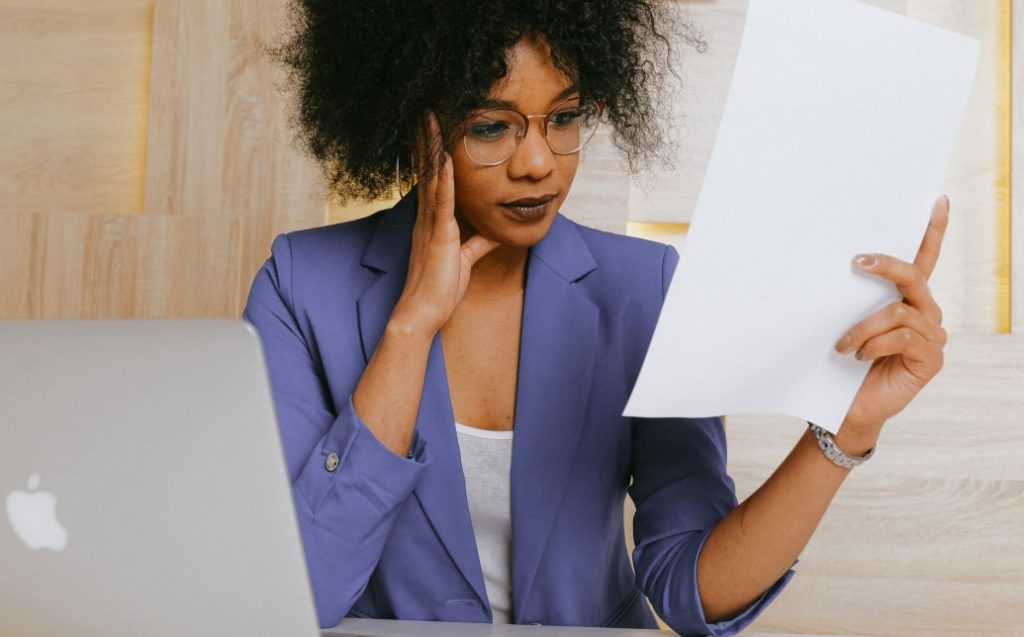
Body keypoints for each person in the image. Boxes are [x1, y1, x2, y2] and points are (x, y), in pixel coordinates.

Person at [243, 1, 949, 635]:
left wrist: (845, 429)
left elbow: (689, 589)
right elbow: (301, 591)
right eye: (491, 126)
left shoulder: (642, 290)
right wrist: (411, 326)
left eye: (566, 117)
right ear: (411, 121)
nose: (538, 163)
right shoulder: (301, 286)